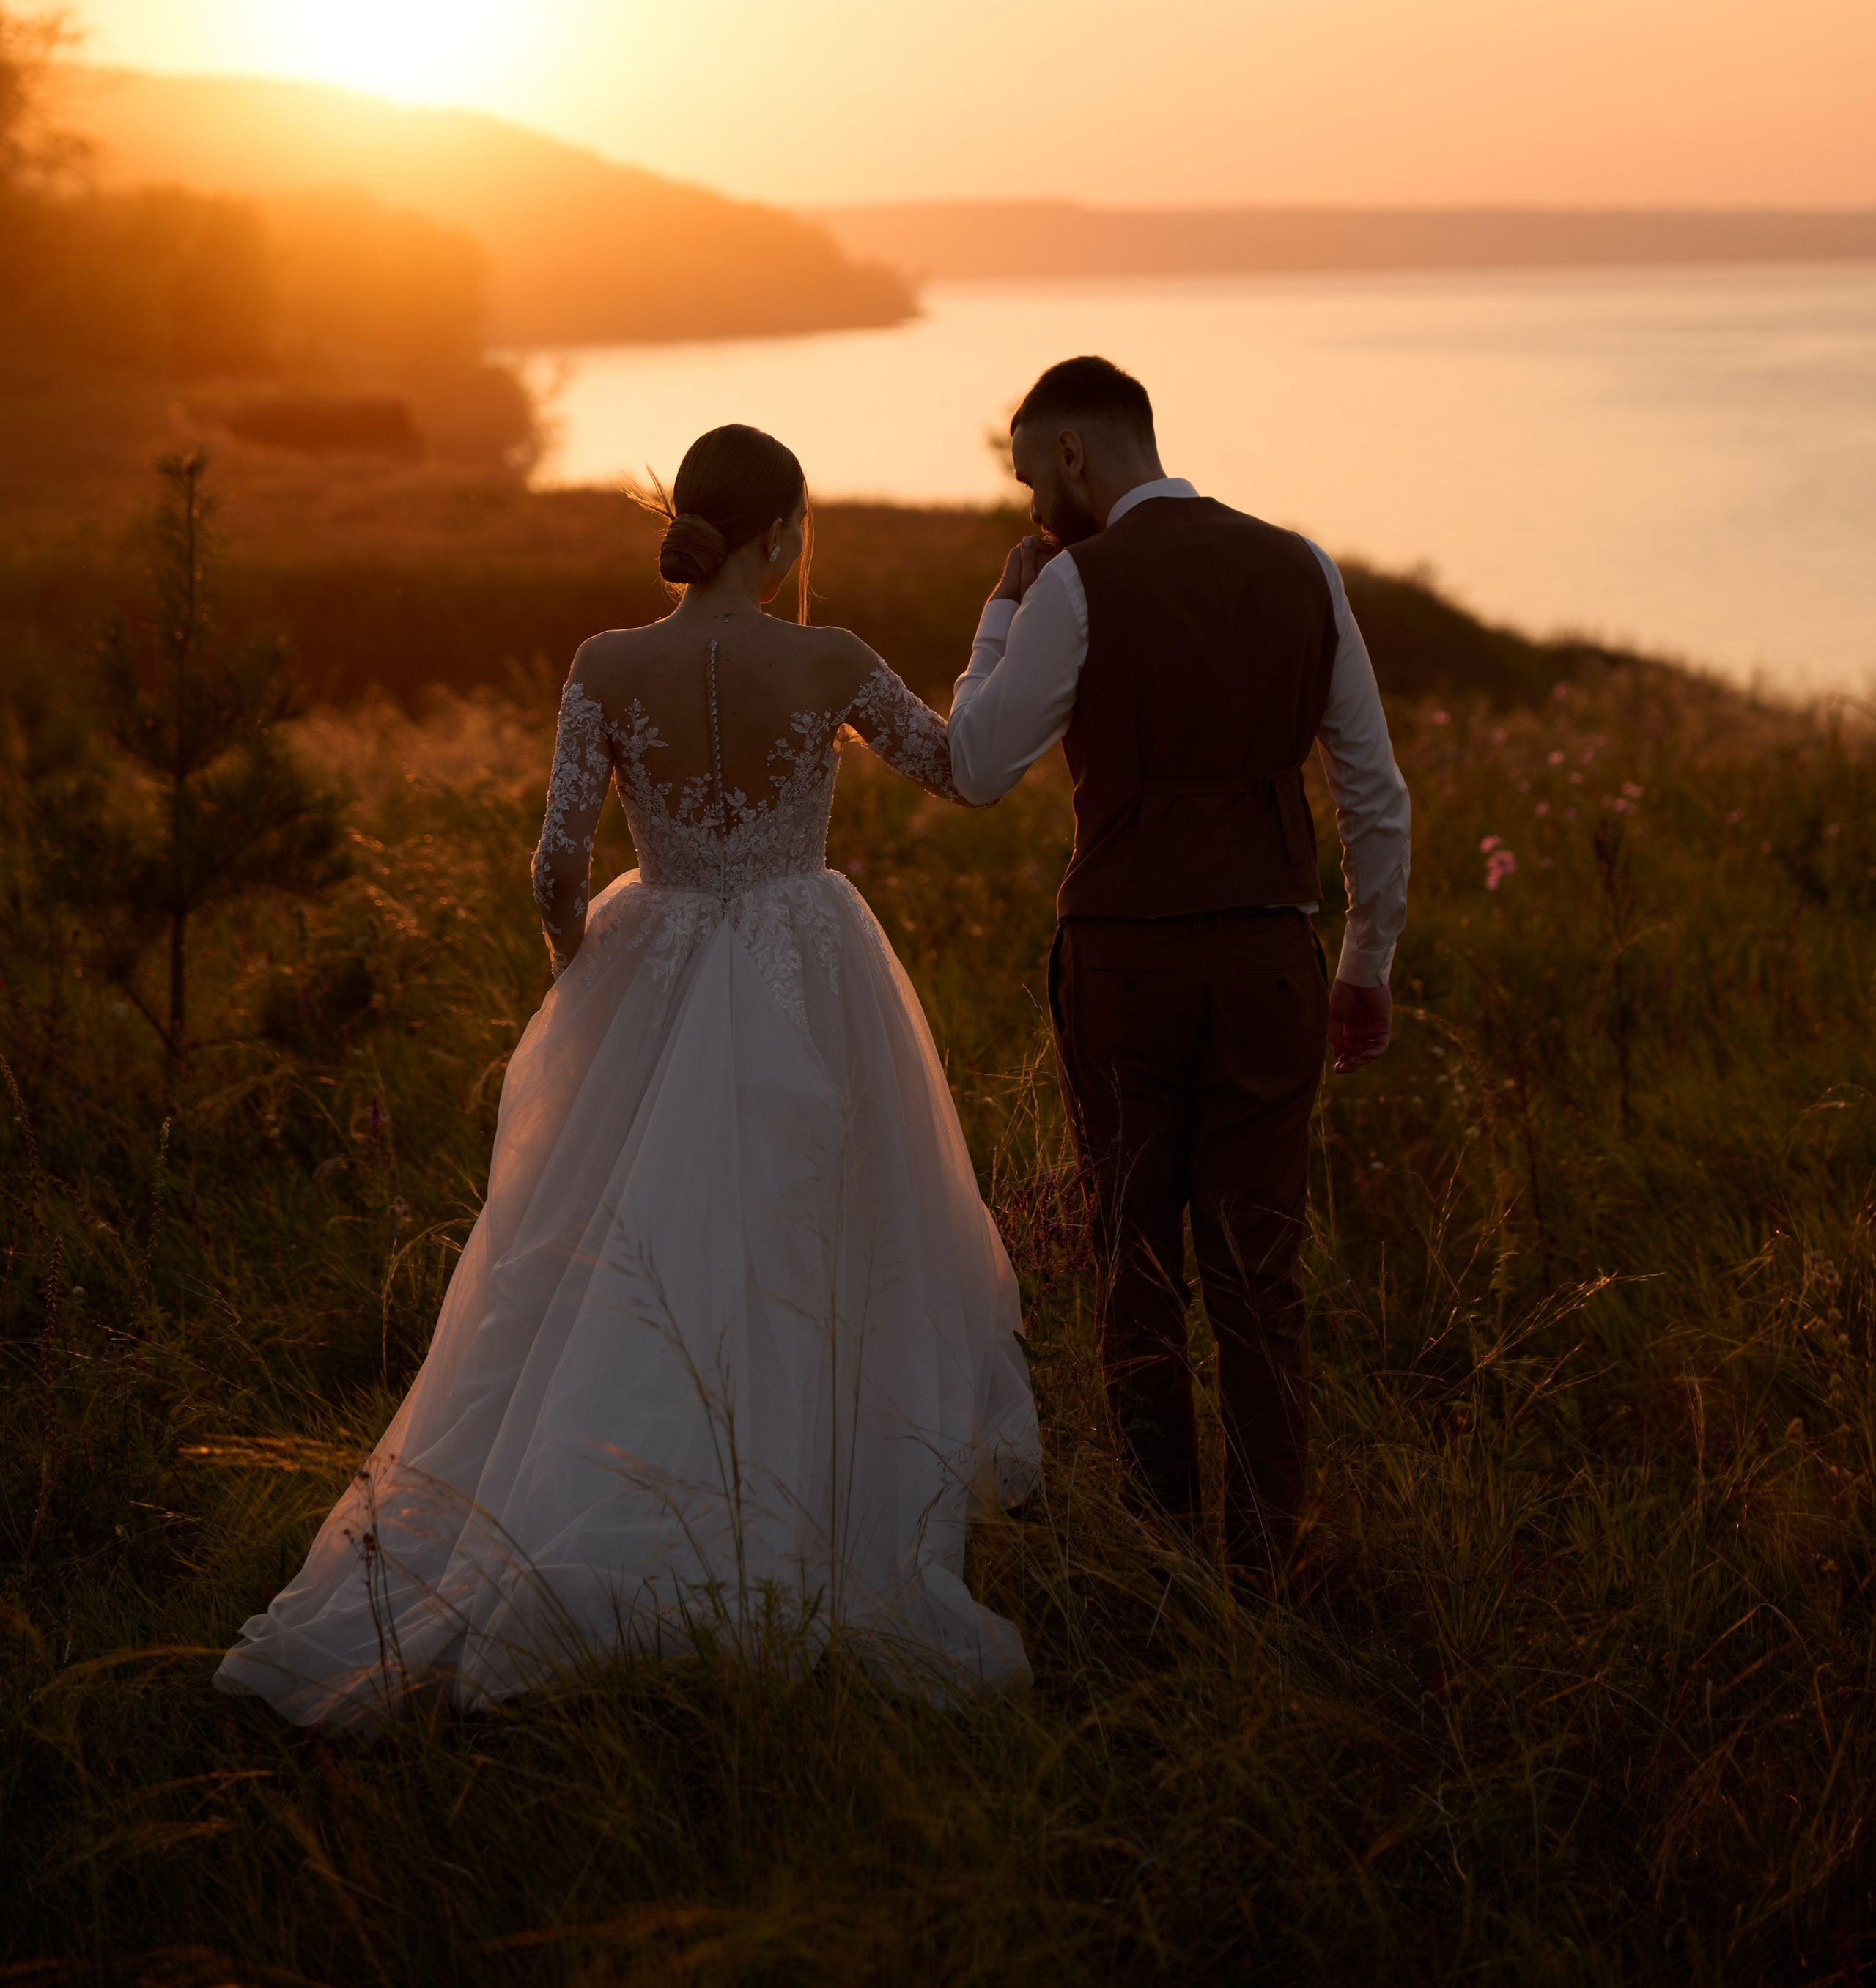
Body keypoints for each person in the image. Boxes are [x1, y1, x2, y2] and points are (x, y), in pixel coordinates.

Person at [216, 424, 1038, 1730]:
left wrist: (577, 968)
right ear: (781, 534)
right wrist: (1004, 620)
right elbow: (961, 771)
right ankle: (790, 1530)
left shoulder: (607, 662)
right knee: (803, 1253)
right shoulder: (832, 660)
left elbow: (554, 861)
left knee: (606, 1267)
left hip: (649, 962)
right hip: (800, 972)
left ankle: (593, 1524)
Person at [947, 357, 1410, 1584]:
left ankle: (1163, 1563)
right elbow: (1373, 789)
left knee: (1137, 1270)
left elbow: (978, 764)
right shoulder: (1301, 566)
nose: (1030, 505)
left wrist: (1002, 613)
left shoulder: (1072, 582)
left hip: (1127, 966)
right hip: (1271, 959)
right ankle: (1271, 1563)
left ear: (1074, 459)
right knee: (1261, 1275)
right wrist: (1364, 957)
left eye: (1028, 474)